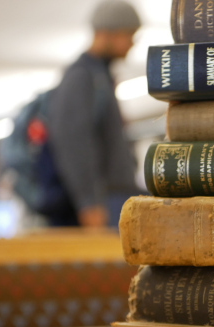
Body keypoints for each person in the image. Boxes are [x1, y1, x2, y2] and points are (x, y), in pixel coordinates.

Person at [47, 0, 141, 228]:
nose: (131, 44)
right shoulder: (81, 77)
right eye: (128, 35)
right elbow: (74, 142)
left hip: (115, 197)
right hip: (103, 203)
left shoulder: (101, 77)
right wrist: (88, 203)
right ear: (106, 33)